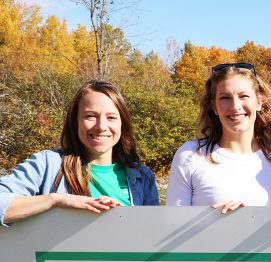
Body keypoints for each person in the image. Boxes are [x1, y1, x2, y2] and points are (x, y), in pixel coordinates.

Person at [0, 80, 159, 225]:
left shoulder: (143, 177)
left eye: (111, 117)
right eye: (90, 116)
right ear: (75, 121)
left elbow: (152, 233)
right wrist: (57, 200)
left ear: (122, 124)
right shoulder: (47, 164)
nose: (101, 126)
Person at [166, 63, 271, 212]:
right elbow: (174, 224)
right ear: (214, 107)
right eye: (225, 98)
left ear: (259, 102)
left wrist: (247, 218)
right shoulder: (189, 155)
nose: (235, 106)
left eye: (243, 96)